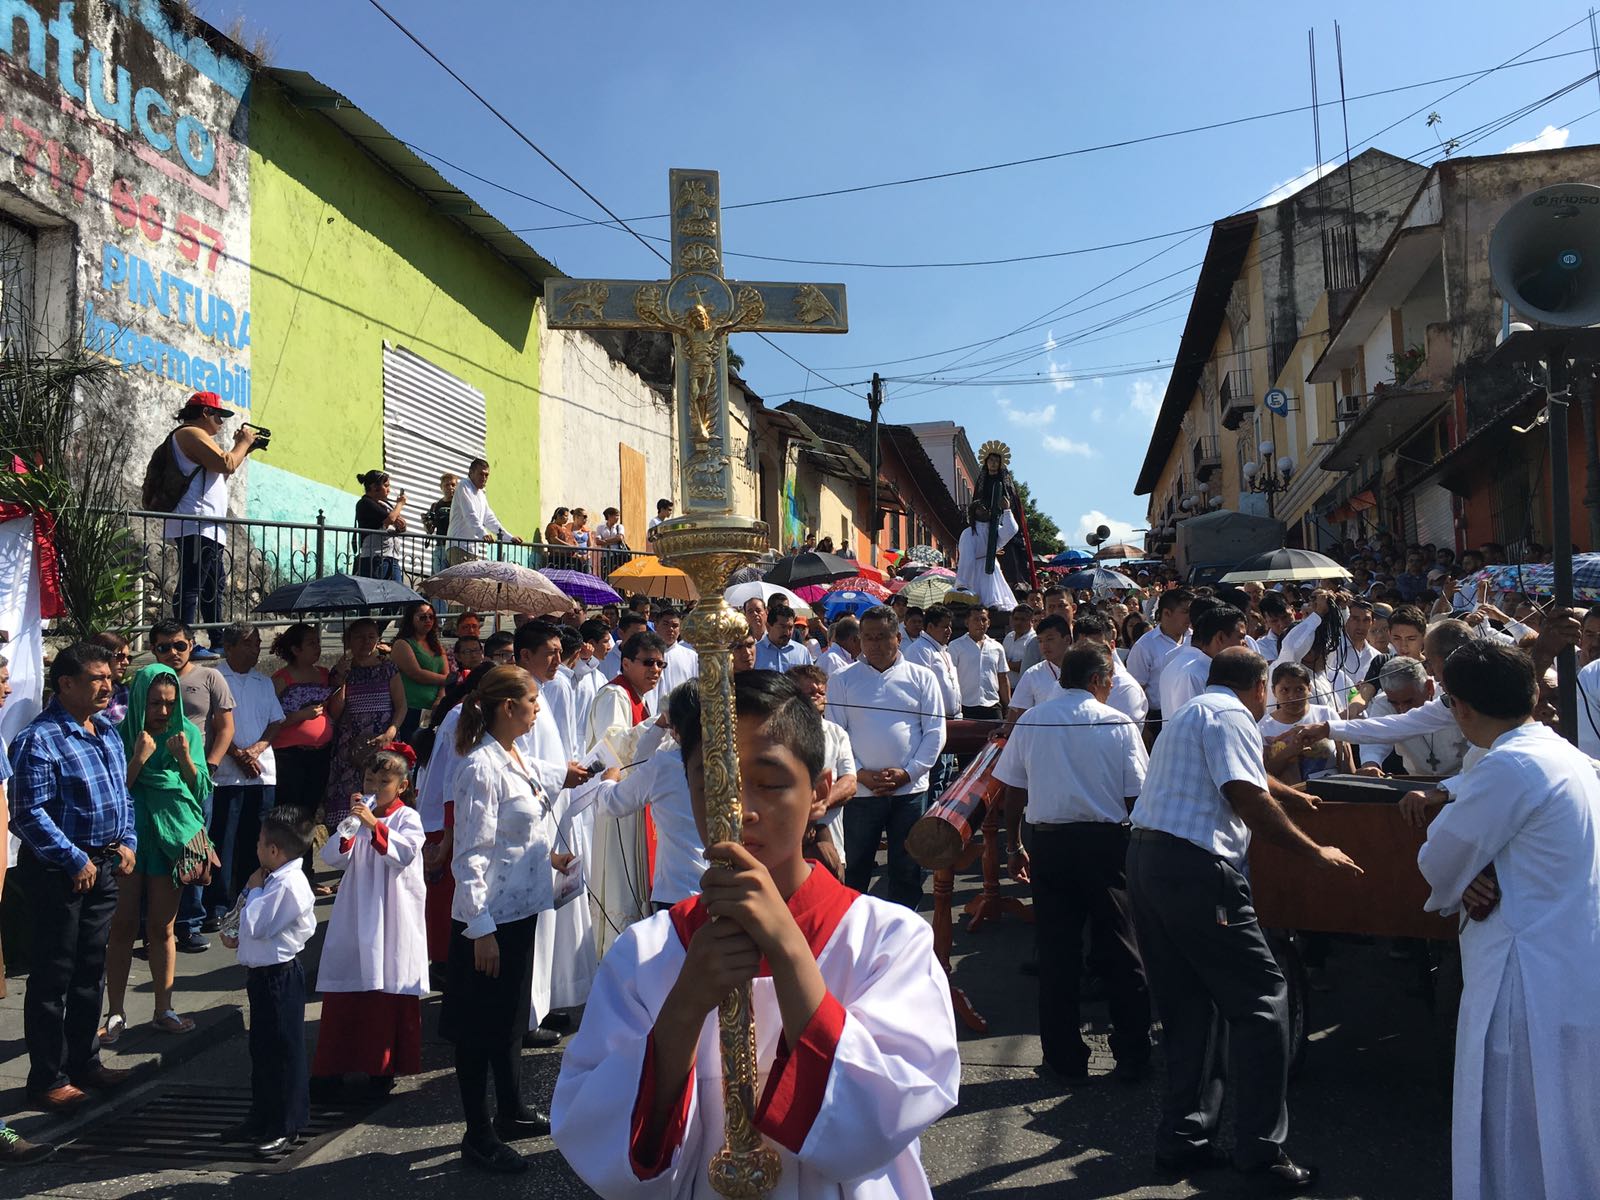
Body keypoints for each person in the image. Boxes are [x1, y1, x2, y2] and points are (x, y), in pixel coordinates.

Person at [551, 670, 961, 1199]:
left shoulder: (887, 941)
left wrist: (790, 952)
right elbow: (593, 1125)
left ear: (818, 794)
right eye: (711, 782)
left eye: (769, 783)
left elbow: (888, 1112)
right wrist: (685, 1005)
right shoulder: (647, 951)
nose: (738, 810)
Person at [1127, 648, 1361, 1189]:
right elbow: (1244, 794)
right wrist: (1314, 850)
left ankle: (1183, 1141)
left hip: (1147, 860)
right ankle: (1260, 1151)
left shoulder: (1193, 710)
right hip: (1195, 868)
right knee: (1263, 1000)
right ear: (1259, 687)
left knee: (1189, 1007)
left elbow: (1249, 777)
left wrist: (1292, 796)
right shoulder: (1232, 714)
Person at [1413, 641, 1600, 1200]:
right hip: (1568, 957)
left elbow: (1440, 857)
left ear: (1460, 708)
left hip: (1527, 974)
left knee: (1520, 1122)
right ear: (1535, 692)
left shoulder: (1511, 764)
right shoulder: (1562, 753)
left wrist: (1465, 867)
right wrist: (1477, 867)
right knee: (1568, 1120)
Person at [997, 643, 1150, 1081]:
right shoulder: (1117, 723)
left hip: (1049, 844)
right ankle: (1134, 1055)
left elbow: (1013, 790)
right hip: (1106, 845)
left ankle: (1063, 1059)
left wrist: (1014, 846)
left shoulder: (1032, 719)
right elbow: (1137, 794)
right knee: (1123, 950)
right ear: (1099, 681)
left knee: (1058, 954)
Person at [445, 666, 576, 1173]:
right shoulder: (481, 767)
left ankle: (512, 1110)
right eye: (532, 699)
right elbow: (472, 853)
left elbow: (514, 833)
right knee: (479, 1029)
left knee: (509, 1022)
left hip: (520, 909)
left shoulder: (513, 756)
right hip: (489, 921)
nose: (538, 707)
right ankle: (477, 1133)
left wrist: (549, 857)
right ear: (507, 707)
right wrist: (479, 927)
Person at [9, 644, 136, 1111]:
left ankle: (85, 1062)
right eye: (96, 678)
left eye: (109, 677)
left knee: (90, 969)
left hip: (101, 867)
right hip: (58, 873)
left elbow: (123, 797)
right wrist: (72, 858)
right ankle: (47, 1078)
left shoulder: (104, 731)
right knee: (53, 976)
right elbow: (27, 813)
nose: (107, 686)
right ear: (65, 684)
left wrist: (129, 842)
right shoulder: (38, 740)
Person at [104, 663, 213, 1039]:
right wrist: (137, 759)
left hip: (173, 840)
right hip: (131, 841)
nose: (163, 712)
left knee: (162, 927)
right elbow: (114, 795)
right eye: (154, 704)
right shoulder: (118, 736)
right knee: (121, 925)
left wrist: (183, 758)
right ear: (138, 701)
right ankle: (115, 1013)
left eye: (169, 703)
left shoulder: (188, 736)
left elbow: (201, 793)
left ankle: (163, 1008)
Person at [312, 746, 427, 1097]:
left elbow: (404, 853)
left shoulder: (406, 817)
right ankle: (335, 1065)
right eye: (369, 780)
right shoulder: (360, 817)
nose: (376, 787)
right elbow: (333, 855)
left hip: (391, 912)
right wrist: (348, 830)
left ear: (402, 786)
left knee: (384, 981)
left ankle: (381, 1067)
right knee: (349, 980)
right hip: (356, 907)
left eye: (384, 781)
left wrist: (374, 824)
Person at [826, 607, 946, 908]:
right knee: (854, 867)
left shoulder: (922, 677)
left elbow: (935, 731)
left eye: (882, 637)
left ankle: (903, 935)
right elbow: (835, 734)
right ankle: (849, 934)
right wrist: (859, 773)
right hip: (860, 792)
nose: (875, 644)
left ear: (898, 637)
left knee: (907, 868)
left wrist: (909, 773)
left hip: (909, 791)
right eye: (868, 638)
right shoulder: (842, 679)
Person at [220, 805, 316, 1157]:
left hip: (281, 977)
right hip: (260, 976)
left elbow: (258, 924)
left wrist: (252, 889)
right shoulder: (273, 880)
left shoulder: (287, 885)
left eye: (260, 843)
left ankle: (285, 1124)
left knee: (283, 1052)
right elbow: (242, 928)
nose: (257, 848)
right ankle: (260, 1116)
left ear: (274, 850)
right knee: (261, 1050)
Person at [151, 618, 234, 952]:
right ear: (153, 650)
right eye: (164, 647)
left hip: (195, 776)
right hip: (156, 778)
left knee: (195, 848)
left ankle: (189, 923)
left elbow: (225, 726)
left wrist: (210, 765)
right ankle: (157, 926)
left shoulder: (209, 676)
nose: (173, 652)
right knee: (156, 851)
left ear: (191, 645)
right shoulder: (149, 681)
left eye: (180, 645)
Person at [587, 682, 708, 910]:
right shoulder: (734, 760)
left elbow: (613, 804)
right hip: (721, 886)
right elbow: (642, 758)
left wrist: (608, 782)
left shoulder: (665, 764)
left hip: (677, 890)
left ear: (676, 727)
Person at [161, 390, 263, 655]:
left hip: (207, 525)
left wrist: (245, 449)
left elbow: (219, 476)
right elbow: (226, 463)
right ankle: (184, 642)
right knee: (193, 584)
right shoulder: (190, 433)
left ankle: (217, 639)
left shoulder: (200, 439)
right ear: (206, 413)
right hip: (195, 523)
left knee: (212, 585)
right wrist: (241, 443)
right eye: (219, 416)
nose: (222, 422)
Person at [209, 624, 285, 929]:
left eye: (258, 644)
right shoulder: (215, 678)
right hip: (227, 774)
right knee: (223, 838)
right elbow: (214, 725)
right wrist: (238, 754)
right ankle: (217, 902)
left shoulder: (263, 682)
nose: (256, 649)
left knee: (257, 838)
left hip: (261, 772)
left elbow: (275, 722)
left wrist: (255, 750)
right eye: (248, 644)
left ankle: (251, 895)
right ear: (229, 648)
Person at [324, 619, 407, 849]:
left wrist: (391, 731)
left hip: (382, 743)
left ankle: (379, 849)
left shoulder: (388, 668)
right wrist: (341, 680)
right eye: (360, 637)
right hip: (350, 747)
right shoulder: (343, 671)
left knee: (381, 798)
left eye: (371, 636)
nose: (366, 642)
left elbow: (401, 706)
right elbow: (336, 711)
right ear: (349, 640)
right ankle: (347, 857)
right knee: (348, 803)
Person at [269, 623, 337, 872]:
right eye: (311, 643)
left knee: (309, 813)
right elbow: (271, 720)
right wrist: (300, 716)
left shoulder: (323, 674)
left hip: (319, 753)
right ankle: (286, 867)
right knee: (290, 812)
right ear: (296, 649)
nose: (317, 648)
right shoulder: (281, 680)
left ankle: (306, 868)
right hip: (290, 754)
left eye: (317, 643)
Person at [787, 664, 859, 879]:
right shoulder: (777, 734)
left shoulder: (837, 733)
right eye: (810, 693)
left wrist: (816, 809)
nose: (817, 697)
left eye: (821, 692)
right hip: (788, 847)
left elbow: (849, 783)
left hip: (830, 844)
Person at [1357, 657, 1469, 777]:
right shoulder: (1385, 702)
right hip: (1416, 779)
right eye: (1395, 703)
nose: (1402, 709)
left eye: (1408, 701)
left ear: (1429, 688)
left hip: (1462, 778)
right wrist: (1370, 764)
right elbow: (1374, 735)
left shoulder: (1450, 700)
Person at [1258, 662, 1347, 784]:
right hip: (1290, 798)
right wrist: (1290, 751)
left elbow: (1345, 757)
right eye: (1285, 690)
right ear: (1274, 691)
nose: (1292, 696)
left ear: (1309, 689)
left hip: (1332, 792)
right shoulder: (1263, 726)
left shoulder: (1327, 715)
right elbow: (1265, 773)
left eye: (1299, 689)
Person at [1158, 602, 1245, 720]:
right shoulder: (1193, 674)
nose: (1245, 644)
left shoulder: (1203, 667)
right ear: (1220, 637)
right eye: (1240, 637)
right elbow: (1193, 724)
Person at [1126, 587, 1192, 740]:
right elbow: (1137, 690)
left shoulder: (1193, 639)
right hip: (1158, 719)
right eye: (1185, 611)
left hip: (1190, 714)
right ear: (1167, 613)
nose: (1190, 617)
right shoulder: (1145, 646)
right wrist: (1146, 726)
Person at [389, 602, 448, 744]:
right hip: (411, 708)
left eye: (431, 617)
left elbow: (445, 671)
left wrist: (440, 698)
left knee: (428, 749)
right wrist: (447, 680)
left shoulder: (436, 645)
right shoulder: (402, 644)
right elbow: (417, 673)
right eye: (422, 617)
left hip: (431, 709)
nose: (428, 620)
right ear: (411, 619)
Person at [1075, 611, 1148, 725]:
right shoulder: (1062, 684)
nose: (1092, 655)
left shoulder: (1125, 687)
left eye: (1098, 647)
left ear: (1112, 646)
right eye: (1084, 648)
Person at [447, 458, 520, 563]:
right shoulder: (464, 486)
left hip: (473, 549)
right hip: (459, 546)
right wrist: (483, 534)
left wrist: (509, 538)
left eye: (487, 475)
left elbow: (490, 519)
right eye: (481, 474)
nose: (484, 478)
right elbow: (470, 514)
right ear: (471, 473)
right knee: (463, 580)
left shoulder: (481, 494)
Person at [948, 604, 1011, 719]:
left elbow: (1002, 678)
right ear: (967, 622)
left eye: (983, 619)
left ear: (989, 623)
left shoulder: (997, 647)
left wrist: (1008, 706)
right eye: (976, 620)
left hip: (992, 705)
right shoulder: (955, 646)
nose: (980, 623)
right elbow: (951, 678)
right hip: (965, 705)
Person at [953, 501, 1019, 610]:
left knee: (997, 600)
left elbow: (1011, 530)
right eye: (980, 508)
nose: (984, 509)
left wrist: (1007, 510)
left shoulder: (994, 528)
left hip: (993, 568)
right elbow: (966, 559)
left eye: (986, 507)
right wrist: (962, 584)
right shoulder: (969, 533)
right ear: (974, 512)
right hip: (976, 571)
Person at [1006, 613, 1070, 719]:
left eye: (1050, 639)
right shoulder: (1032, 674)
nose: (1044, 646)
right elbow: (1018, 713)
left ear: (1067, 640)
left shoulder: (1084, 671)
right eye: (1040, 641)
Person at [353, 470, 408, 582]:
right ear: (374, 487)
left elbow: (395, 520)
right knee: (376, 593)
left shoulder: (384, 504)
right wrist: (400, 504)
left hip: (392, 556)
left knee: (396, 594)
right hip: (376, 558)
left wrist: (401, 526)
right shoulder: (365, 503)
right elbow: (389, 519)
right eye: (386, 486)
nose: (389, 490)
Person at [653, 609, 700, 701]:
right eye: (665, 624)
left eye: (675, 626)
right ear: (656, 626)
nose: (670, 629)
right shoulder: (646, 655)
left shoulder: (691, 657)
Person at [88, 631, 133, 725]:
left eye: (128, 658)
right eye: (120, 657)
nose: (126, 662)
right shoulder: (82, 694)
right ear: (102, 655)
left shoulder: (124, 693)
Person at [755, 603, 812, 672]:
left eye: (790, 627)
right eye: (782, 627)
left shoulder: (802, 652)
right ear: (768, 627)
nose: (787, 632)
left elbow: (811, 679)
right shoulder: (756, 652)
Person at [1002, 604, 1036, 692]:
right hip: (1007, 688)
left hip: (1024, 690)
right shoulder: (1009, 637)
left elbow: (1025, 667)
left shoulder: (1034, 640)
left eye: (1023, 620)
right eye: (1016, 619)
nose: (1018, 622)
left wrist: (1005, 663)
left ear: (1032, 621)